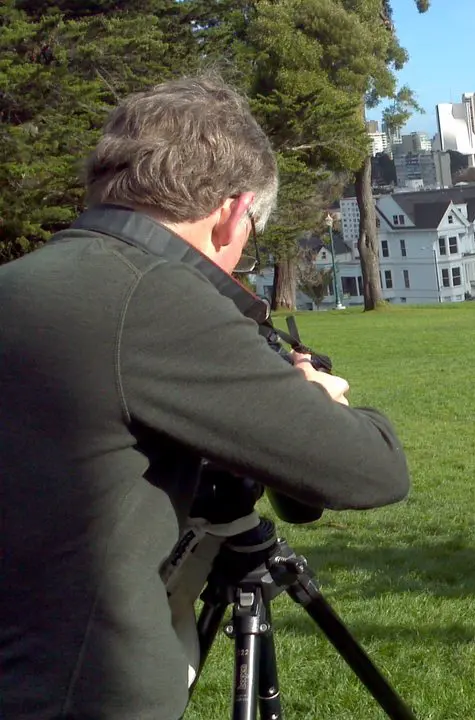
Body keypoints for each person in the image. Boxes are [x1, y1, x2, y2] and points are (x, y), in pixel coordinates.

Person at [0, 75, 412, 720]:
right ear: (230, 211)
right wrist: (318, 397)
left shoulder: (22, 284)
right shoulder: (152, 296)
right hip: (79, 689)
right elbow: (372, 472)